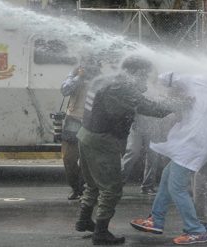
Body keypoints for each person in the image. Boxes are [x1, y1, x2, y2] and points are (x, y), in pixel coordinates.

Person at [75, 55, 190, 245]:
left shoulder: (107, 79)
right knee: (111, 189)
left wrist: (142, 88)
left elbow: (134, 96)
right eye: (144, 75)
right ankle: (101, 233)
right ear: (135, 72)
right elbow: (151, 108)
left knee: (93, 184)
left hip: (86, 135)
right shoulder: (122, 87)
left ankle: (84, 219)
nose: (145, 79)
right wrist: (178, 104)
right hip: (103, 141)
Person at [130, 66, 207, 245]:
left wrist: (159, 74)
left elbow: (164, 78)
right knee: (167, 178)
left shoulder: (195, 79)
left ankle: (195, 230)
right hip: (198, 143)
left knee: (176, 187)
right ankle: (156, 219)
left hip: (190, 144)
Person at [60, 57, 101, 200]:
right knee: (68, 158)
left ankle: (85, 188)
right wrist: (79, 76)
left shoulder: (100, 79)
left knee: (88, 160)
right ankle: (76, 187)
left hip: (91, 122)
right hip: (73, 120)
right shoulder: (75, 74)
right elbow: (64, 90)